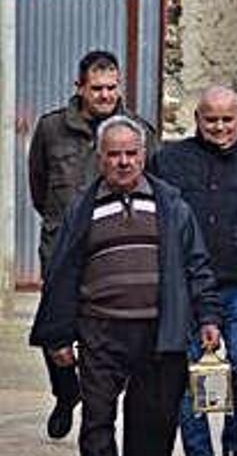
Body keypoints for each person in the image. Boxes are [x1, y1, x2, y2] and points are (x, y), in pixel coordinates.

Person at [29, 116, 221, 456]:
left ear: (143, 155)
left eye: (131, 153)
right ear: (101, 158)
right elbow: (62, 273)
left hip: (159, 334)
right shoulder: (82, 210)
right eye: (114, 154)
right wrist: (58, 336)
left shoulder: (172, 206)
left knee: (153, 431)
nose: (123, 162)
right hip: (100, 333)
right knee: (96, 428)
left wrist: (208, 318)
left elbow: (197, 265)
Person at [27, 49, 158, 439]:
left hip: (117, 250)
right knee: (56, 332)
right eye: (96, 88)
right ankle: (66, 393)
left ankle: (97, 397)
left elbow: (154, 187)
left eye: (112, 88)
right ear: (79, 87)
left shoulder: (139, 131)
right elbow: (38, 186)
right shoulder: (52, 129)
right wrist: (60, 224)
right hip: (63, 249)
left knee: (103, 336)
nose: (105, 95)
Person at [149, 86, 237, 456]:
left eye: (227, 119)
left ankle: (234, 444)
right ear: (196, 119)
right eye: (211, 119)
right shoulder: (169, 161)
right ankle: (198, 451)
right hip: (185, 285)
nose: (219, 127)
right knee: (186, 372)